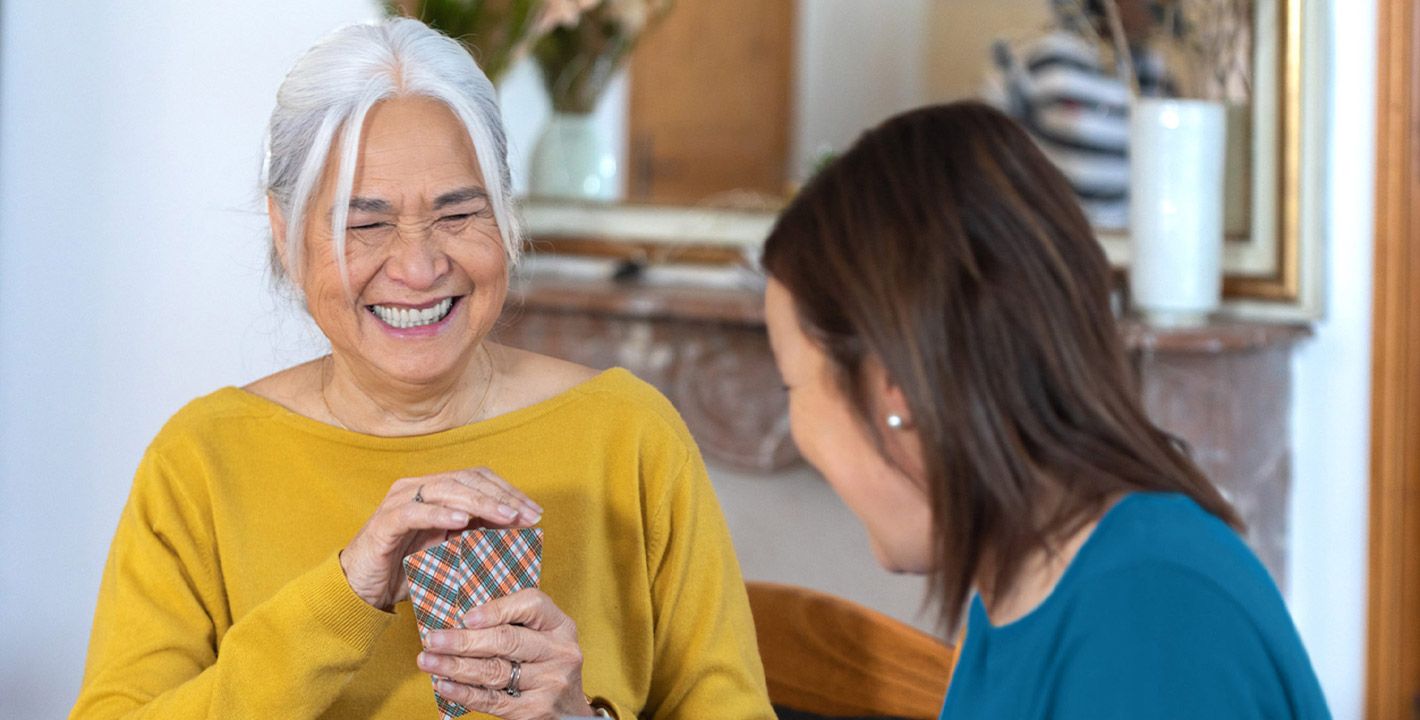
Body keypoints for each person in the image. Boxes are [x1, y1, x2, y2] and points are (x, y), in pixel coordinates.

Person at [70, 18, 772, 720]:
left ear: (504, 216)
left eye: (459, 213)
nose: (419, 266)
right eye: (366, 223)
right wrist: (346, 597)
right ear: (285, 234)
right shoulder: (202, 461)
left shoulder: (629, 434)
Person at [760, 102, 1330, 719]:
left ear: (894, 390)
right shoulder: (1023, 594)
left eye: (793, 385)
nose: (799, 429)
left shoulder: (1149, 621)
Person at [984, 0, 1174, 229]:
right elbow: (982, 148)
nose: (1159, 6)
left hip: (1126, 245)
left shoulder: (1155, 73)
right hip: (1053, 239)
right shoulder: (1049, 57)